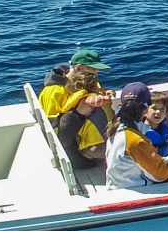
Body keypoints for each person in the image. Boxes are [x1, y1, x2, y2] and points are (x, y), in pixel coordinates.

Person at [39, 49, 114, 182]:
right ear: (78, 68)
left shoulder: (82, 80)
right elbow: (55, 132)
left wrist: (105, 93)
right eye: (93, 71)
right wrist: (78, 113)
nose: (96, 76)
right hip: (81, 149)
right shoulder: (54, 92)